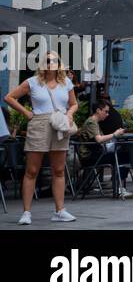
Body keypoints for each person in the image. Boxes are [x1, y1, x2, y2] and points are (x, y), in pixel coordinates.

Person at [5, 51, 78, 224]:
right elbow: (9, 97)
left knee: (59, 170)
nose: (50, 63)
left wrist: (69, 114)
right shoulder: (32, 82)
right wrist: (26, 113)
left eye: (54, 60)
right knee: (32, 171)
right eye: (47, 60)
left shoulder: (66, 82)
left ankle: (60, 211)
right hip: (39, 124)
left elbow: (74, 104)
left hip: (59, 124)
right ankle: (26, 213)